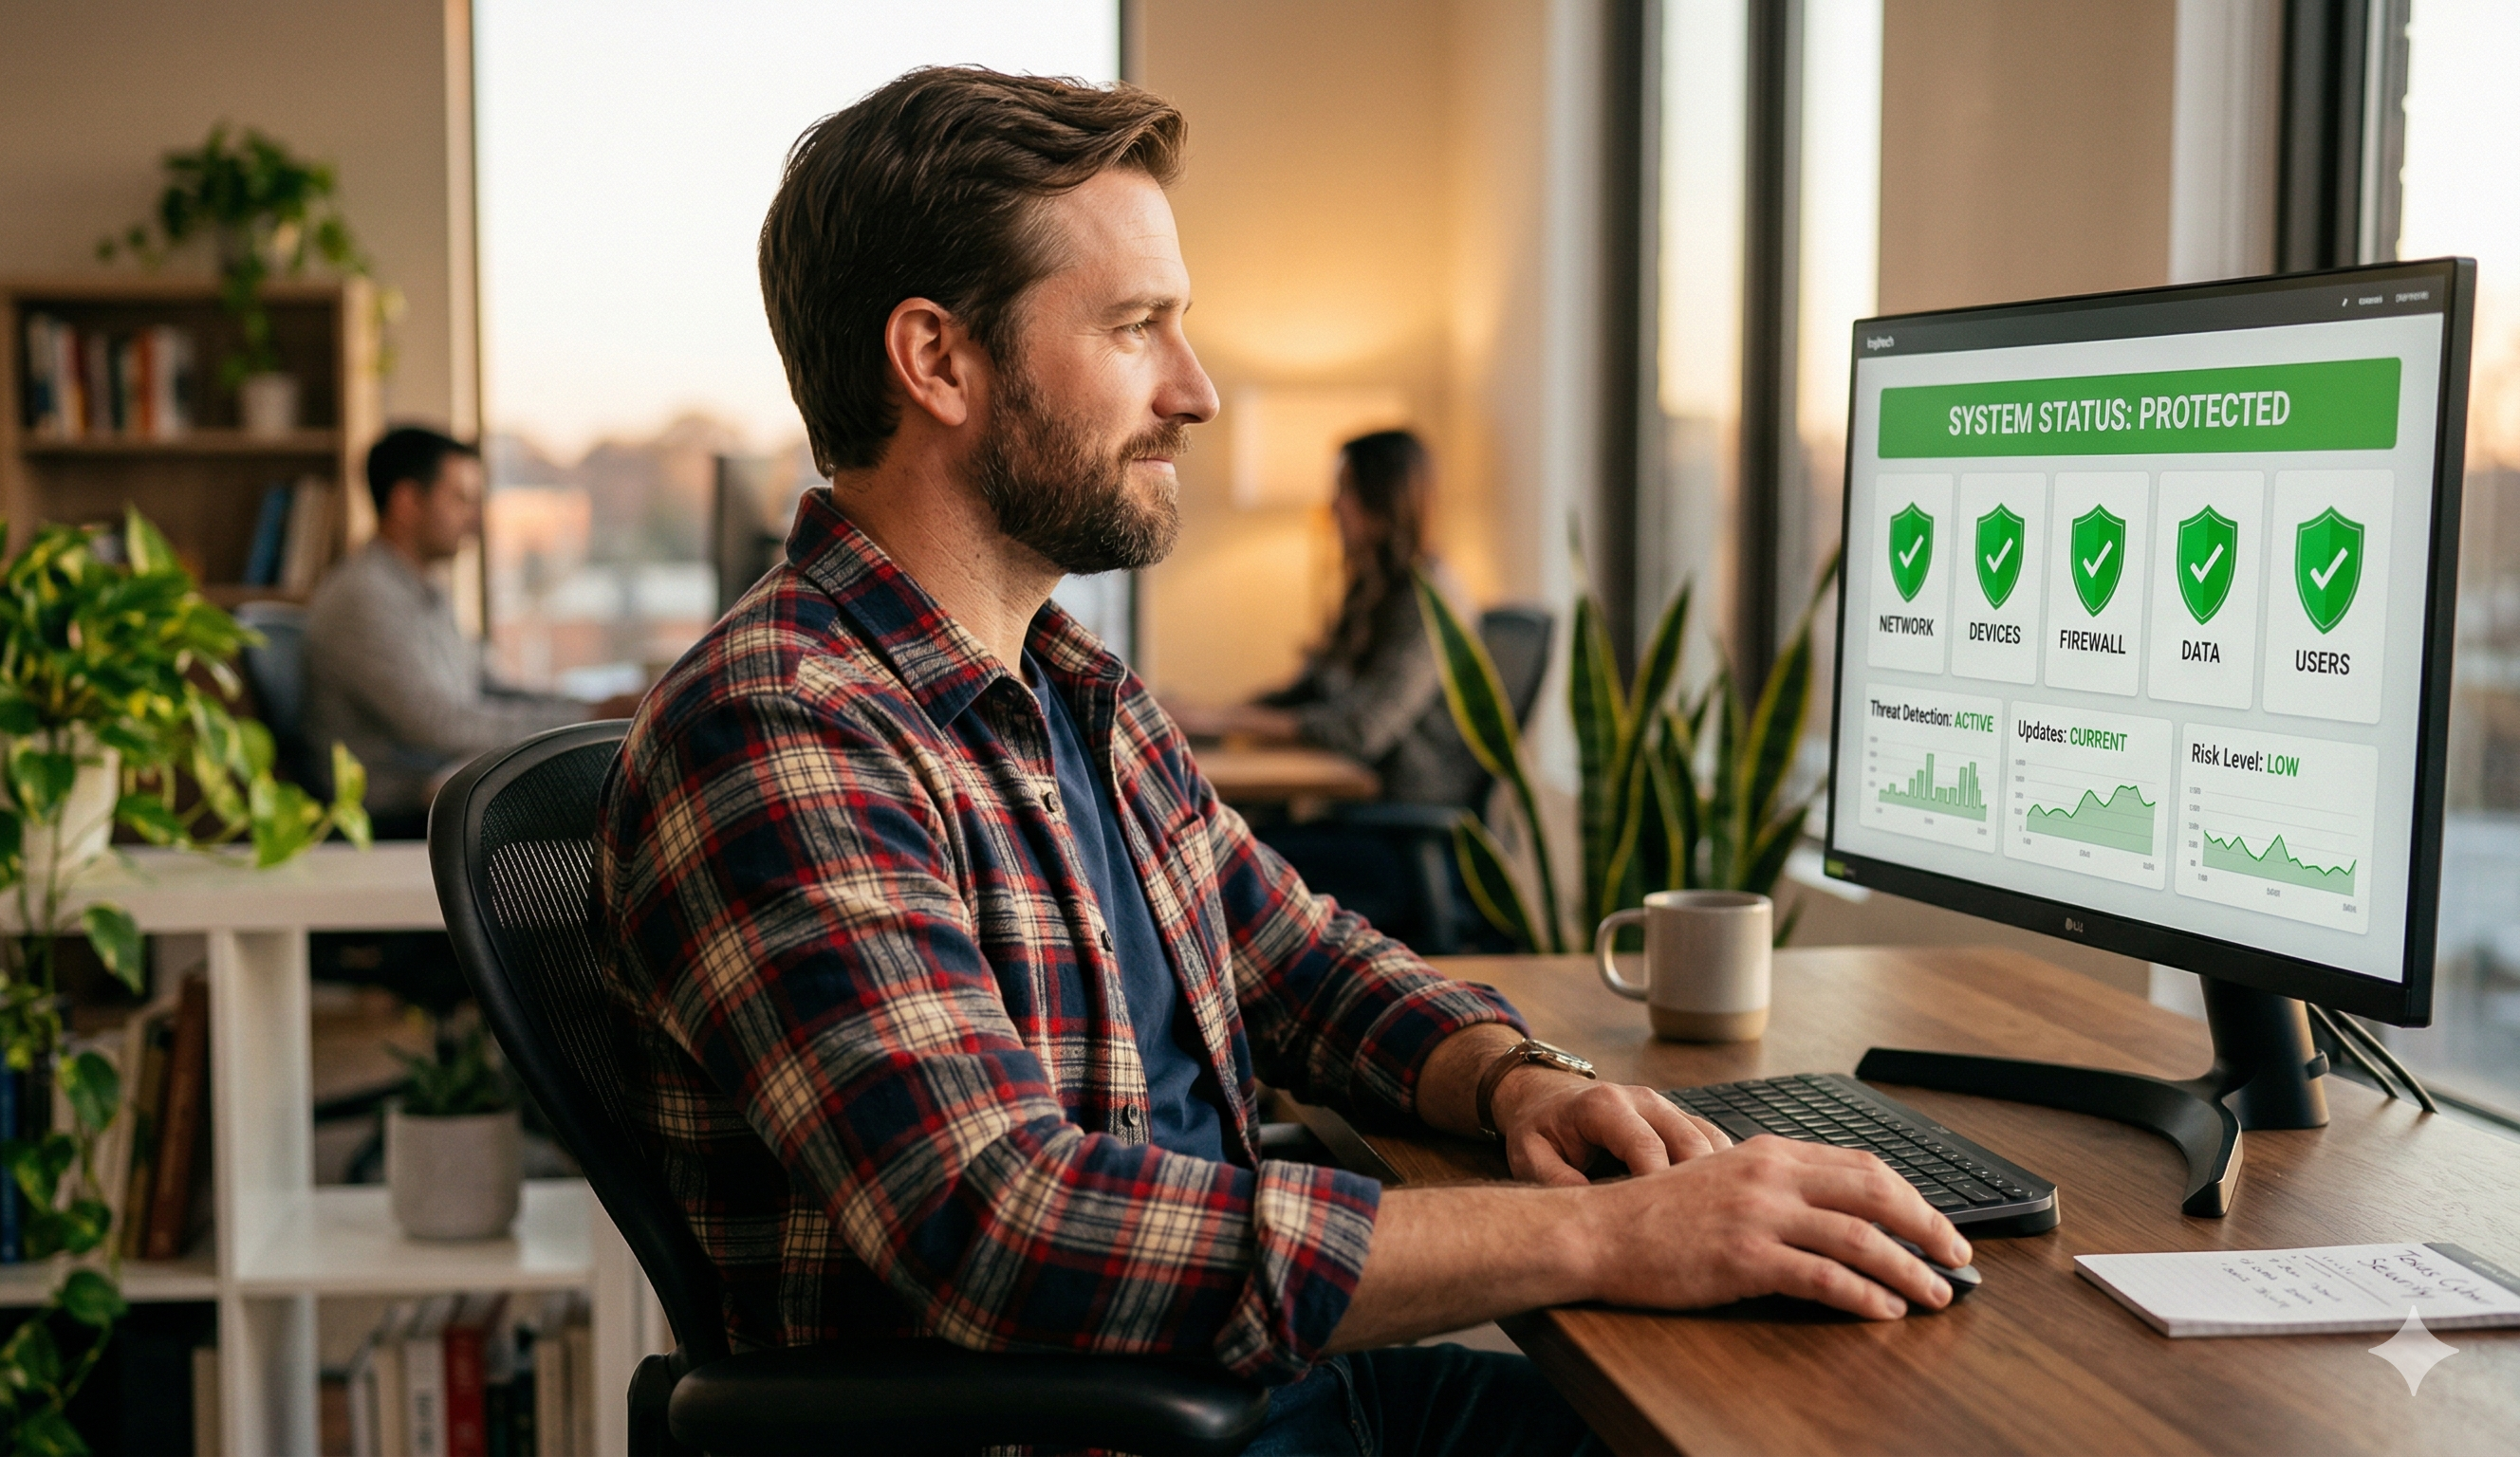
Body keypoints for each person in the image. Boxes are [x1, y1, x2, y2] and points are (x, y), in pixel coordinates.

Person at [595, 66, 1966, 1456]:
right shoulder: (781, 727)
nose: (1194, 392)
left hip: (1264, 1397)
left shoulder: (1072, 690)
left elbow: (1295, 957)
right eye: (1137, 327)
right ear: (937, 359)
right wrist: (1602, 1235)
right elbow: (1008, 1228)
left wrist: (1517, 1082)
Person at [304, 427, 630, 838]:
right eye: (461, 500)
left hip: (441, 791)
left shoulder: (424, 590)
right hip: (399, 814)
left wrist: (594, 711)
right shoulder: (363, 597)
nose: (475, 520)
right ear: (406, 502)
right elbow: (440, 726)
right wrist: (591, 718)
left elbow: (488, 687)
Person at [1171, 428, 1481, 808]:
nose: (1333, 506)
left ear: (1386, 499)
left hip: (1396, 815)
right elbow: (1306, 693)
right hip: (1352, 801)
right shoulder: (1369, 588)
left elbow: (1363, 729)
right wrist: (1207, 715)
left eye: (1346, 490)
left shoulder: (1432, 601)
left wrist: (1223, 722)